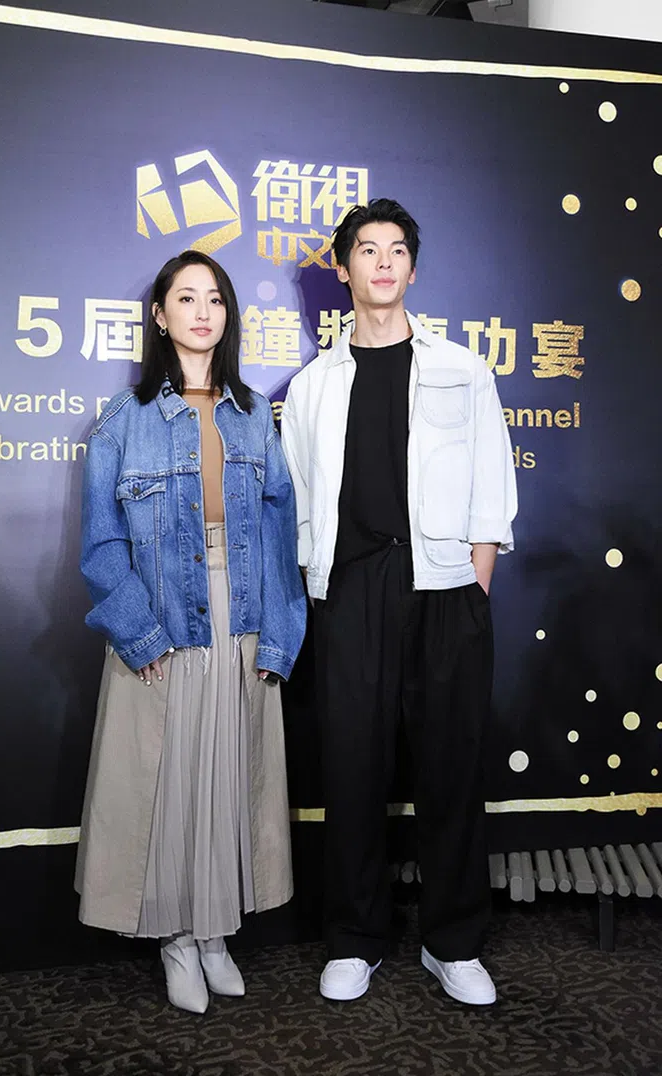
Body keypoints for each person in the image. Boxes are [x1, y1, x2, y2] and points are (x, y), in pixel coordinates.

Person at [281, 199, 517, 1006]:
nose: (381, 263)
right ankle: (355, 937)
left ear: (413, 269)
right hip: (350, 591)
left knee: (451, 769)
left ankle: (453, 942)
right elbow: (303, 501)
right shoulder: (312, 386)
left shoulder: (463, 368)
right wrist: (322, 592)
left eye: (396, 250)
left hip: (446, 588)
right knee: (352, 768)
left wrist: (474, 589)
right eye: (366, 250)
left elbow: (493, 486)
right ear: (342, 269)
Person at [75, 250, 306, 1014]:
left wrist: (277, 638)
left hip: (239, 609)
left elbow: (278, 537)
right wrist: (139, 634)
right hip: (162, 611)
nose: (203, 311)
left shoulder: (252, 416)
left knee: (227, 778)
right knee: (166, 784)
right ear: (159, 315)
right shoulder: (122, 422)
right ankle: (174, 937)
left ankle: (215, 932)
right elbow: (102, 544)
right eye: (186, 297)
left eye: (215, 299)